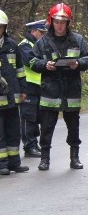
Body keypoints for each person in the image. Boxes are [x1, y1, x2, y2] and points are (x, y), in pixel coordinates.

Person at [30, 3, 88, 171]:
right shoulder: (42, 42)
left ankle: (75, 158)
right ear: (51, 22)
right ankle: (45, 159)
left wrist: (78, 63)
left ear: (68, 23)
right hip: (50, 91)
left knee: (73, 127)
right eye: (57, 21)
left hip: (71, 90)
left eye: (63, 22)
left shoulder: (78, 40)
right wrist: (45, 65)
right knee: (46, 127)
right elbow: (31, 61)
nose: (59, 25)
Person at [0, 10, 29, 175]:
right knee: (0, 134)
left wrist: (23, 89)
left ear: (5, 27)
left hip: (12, 98)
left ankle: (14, 163)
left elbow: (20, 70)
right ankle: (2, 164)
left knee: (13, 131)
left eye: (0, 27)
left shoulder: (12, 45)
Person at [18, 19, 46, 158]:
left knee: (36, 118)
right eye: (41, 32)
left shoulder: (37, 44)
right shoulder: (24, 45)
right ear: (33, 31)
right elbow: (30, 63)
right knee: (28, 117)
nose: (43, 35)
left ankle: (34, 144)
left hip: (38, 86)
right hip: (27, 86)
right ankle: (29, 146)